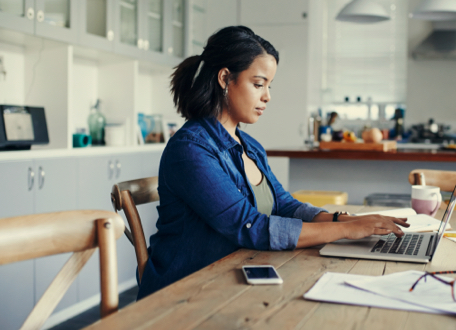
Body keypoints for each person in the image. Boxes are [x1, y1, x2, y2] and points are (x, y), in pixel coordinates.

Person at [137, 26, 409, 300]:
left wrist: (348, 221)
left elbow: (284, 206)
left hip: (235, 278)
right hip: (184, 294)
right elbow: (249, 226)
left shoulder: (250, 147)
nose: (267, 96)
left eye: (269, 85)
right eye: (258, 84)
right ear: (225, 78)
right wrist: (345, 230)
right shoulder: (191, 149)